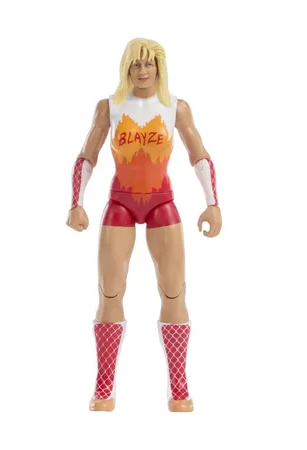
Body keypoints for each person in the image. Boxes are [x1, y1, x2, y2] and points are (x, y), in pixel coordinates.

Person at [66, 37, 222, 412]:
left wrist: (212, 204)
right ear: (126, 68)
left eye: (148, 63)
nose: (142, 70)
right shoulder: (109, 107)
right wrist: (76, 203)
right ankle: (104, 386)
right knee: (110, 292)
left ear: (159, 67)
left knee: (173, 292)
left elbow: (199, 155)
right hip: (120, 202)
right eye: (135, 64)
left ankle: (179, 386)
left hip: (161, 203)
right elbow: (87, 155)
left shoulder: (176, 107)